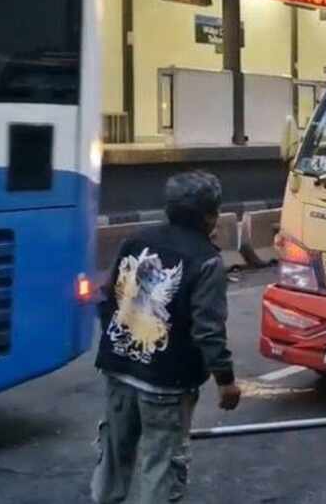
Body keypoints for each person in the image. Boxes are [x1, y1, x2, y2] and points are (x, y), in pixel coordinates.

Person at [91, 171, 241, 503]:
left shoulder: (136, 240)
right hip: (166, 385)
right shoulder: (206, 260)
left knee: (114, 455)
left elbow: (107, 298)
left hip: (118, 369)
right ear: (209, 215)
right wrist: (225, 380)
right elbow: (209, 330)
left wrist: (119, 343)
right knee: (161, 464)